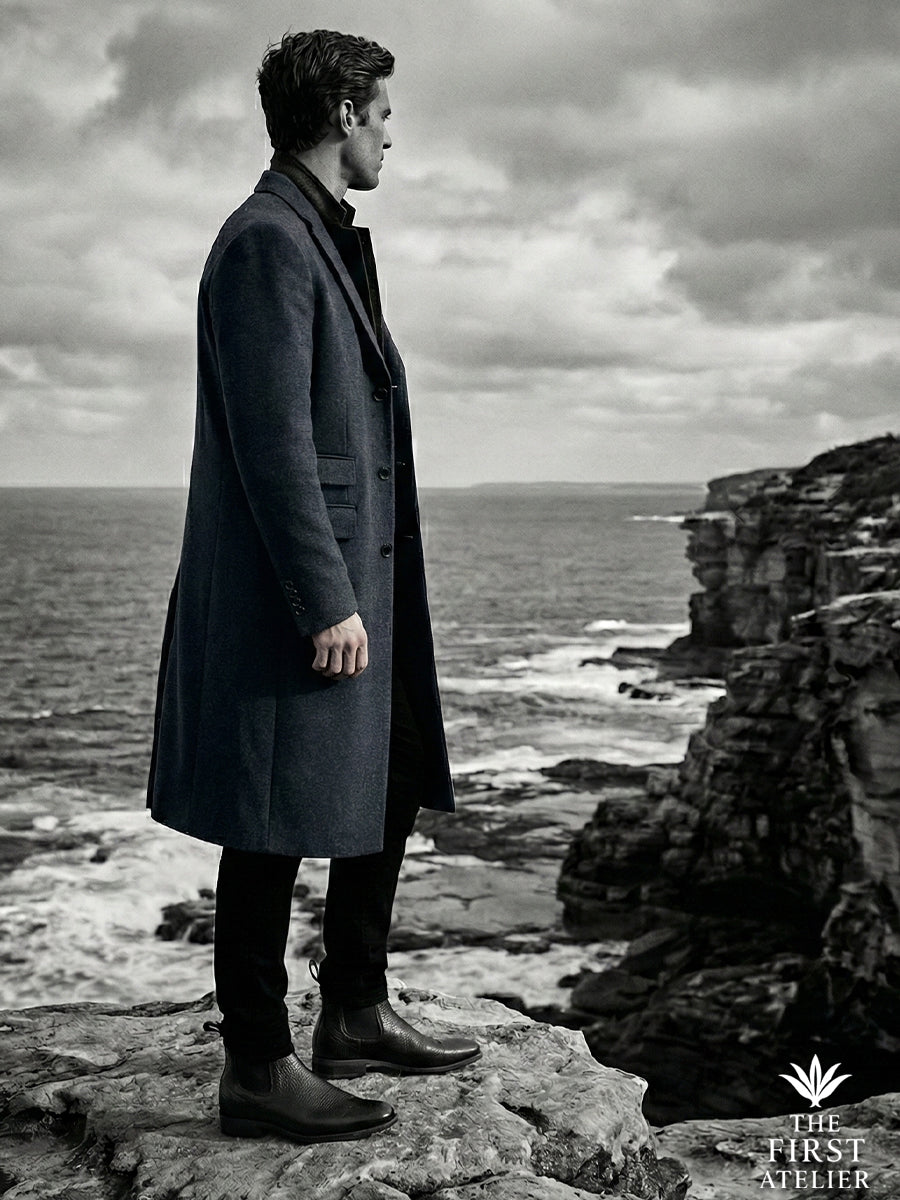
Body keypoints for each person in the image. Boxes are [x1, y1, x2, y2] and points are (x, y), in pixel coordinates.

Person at [146, 29, 480, 1145]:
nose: (393, 129)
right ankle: (255, 1065)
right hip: (310, 591)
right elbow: (273, 442)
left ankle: (355, 1006)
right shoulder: (266, 243)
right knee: (271, 814)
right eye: (382, 110)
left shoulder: (318, 234)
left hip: (363, 575)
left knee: (380, 777)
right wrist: (325, 597)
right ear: (340, 112)